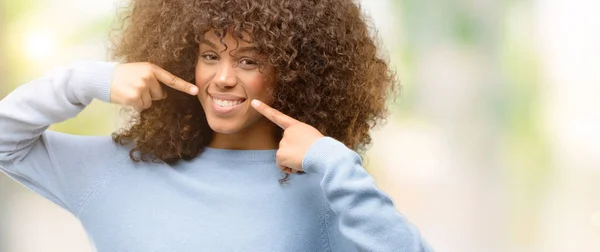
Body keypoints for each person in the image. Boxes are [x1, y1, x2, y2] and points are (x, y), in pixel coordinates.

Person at [0, 0, 433, 251]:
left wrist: (334, 162)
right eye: (210, 56)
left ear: (298, 72)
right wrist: (84, 80)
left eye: (249, 60)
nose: (223, 77)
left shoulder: (325, 191)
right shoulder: (114, 170)